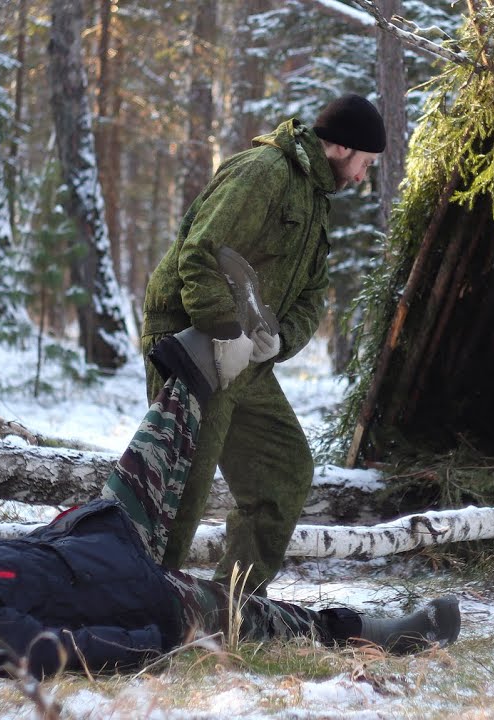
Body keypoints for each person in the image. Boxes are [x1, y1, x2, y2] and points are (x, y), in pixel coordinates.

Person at [0, 321, 459, 679]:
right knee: (267, 621)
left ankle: (211, 360)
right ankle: (384, 632)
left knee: (152, 446)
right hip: (145, 599)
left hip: (93, 537)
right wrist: (144, 645)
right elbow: (49, 651)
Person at [141, 92, 387, 596]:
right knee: (181, 490)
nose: (363, 178)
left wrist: (278, 340)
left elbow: (313, 294)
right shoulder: (264, 172)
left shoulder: (317, 201)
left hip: (244, 361)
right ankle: (139, 610)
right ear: (341, 147)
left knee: (284, 470)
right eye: (365, 163)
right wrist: (224, 330)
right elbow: (202, 253)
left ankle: (229, 607)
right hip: (193, 346)